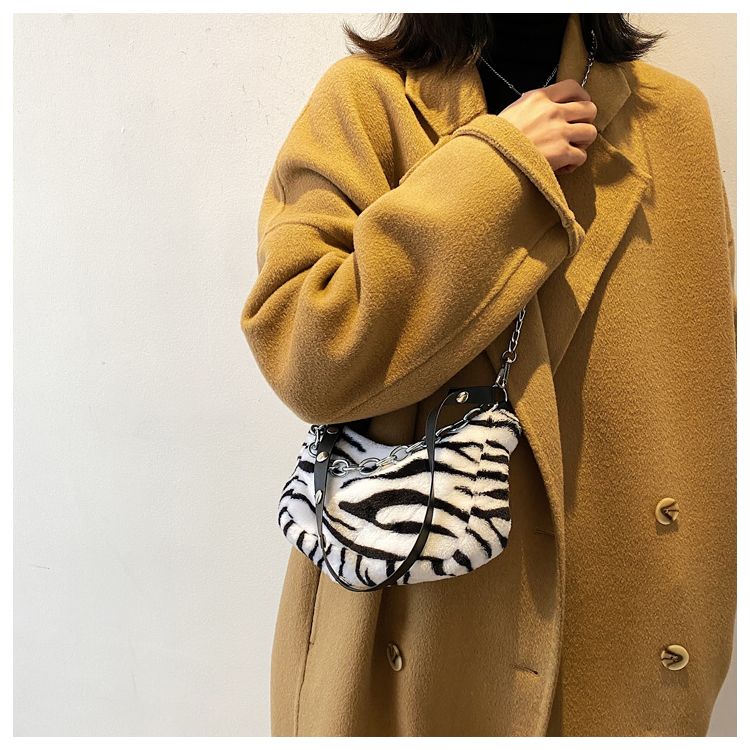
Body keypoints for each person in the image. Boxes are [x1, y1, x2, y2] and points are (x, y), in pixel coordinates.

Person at [240, 12, 736, 737]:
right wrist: (502, 166)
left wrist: (698, 628)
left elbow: (702, 404)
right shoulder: (366, 102)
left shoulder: (672, 120)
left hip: (619, 634)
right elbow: (305, 351)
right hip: (413, 620)